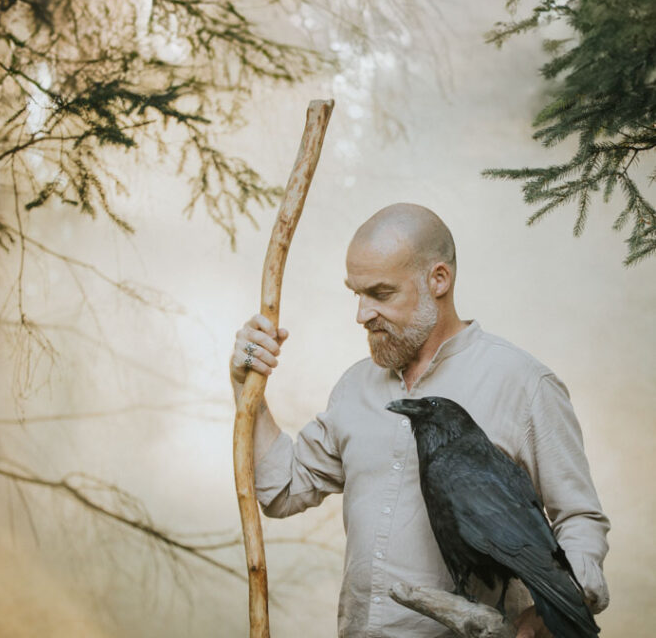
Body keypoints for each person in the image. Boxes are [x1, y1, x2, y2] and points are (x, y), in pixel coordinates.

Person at [230, 203, 610, 638]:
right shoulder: (355, 387)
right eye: (356, 293)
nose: (361, 314)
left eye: (381, 293)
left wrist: (557, 606)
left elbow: (579, 518)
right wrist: (248, 390)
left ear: (439, 280)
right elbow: (281, 490)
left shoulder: (524, 383)